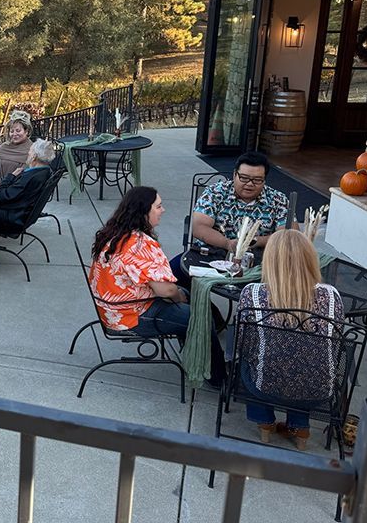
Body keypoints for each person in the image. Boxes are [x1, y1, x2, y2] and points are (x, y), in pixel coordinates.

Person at [89, 186, 225, 386]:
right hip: (132, 315)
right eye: (158, 206)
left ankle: (192, 350)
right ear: (144, 212)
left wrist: (179, 294)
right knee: (200, 317)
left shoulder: (116, 233)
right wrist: (178, 296)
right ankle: (218, 377)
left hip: (111, 308)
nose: (163, 210)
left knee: (186, 297)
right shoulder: (140, 243)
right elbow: (166, 290)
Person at [235, 229, 343, 449]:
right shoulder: (332, 296)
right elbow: (335, 344)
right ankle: (300, 427)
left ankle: (265, 423)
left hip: (264, 386)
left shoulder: (253, 293)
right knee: (307, 359)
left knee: (250, 359)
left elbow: (243, 345)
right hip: (319, 391)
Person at [170, 151, 290, 287]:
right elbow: (199, 227)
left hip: (259, 261)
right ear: (234, 175)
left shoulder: (278, 199)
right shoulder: (215, 192)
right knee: (171, 273)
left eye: (257, 180)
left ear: (264, 180)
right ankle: (202, 307)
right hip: (214, 252)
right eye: (244, 178)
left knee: (289, 280)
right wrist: (227, 243)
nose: (250, 184)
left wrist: (256, 241)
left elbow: (289, 234)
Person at [0, 138, 56, 266]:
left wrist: (10, 176)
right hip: (19, 214)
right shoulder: (44, 172)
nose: (28, 154)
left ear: (35, 156)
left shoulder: (30, 177)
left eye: (30, 152)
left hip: (11, 219)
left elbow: (2, 195)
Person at [0, 110, 34, 185]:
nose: (14, 134)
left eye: (18, 130)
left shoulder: (32, 150)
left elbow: (26, 176)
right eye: (12, 131)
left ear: (27, 131)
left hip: (18, 190)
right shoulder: (3, 147)